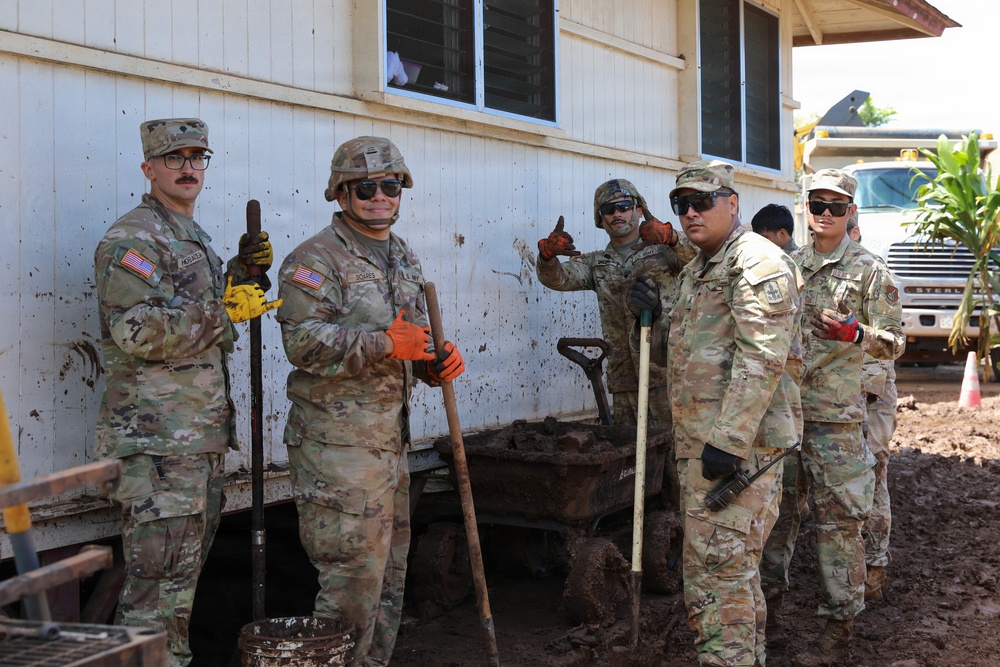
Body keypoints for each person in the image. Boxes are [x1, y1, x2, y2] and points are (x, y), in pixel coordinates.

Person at [94, 118, 281, 667]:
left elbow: (188, 310)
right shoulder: (134, 238)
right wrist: (224, 311)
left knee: (177, 589)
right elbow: (136, 329)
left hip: (194, 443)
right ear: (148, 168)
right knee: (154, 598)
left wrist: (242, 273)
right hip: (157, 446)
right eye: (175, 158)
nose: (188, 168)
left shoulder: (188, 234)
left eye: (198, 157)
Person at [275, 136, 465, 667]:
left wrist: (433, 362)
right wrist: (386, 343)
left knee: (388, 582)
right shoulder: (314, 260)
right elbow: (303, 342)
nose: (379, 196)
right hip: (339, 452)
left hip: (389, 445)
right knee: (350, 588)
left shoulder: (402, 254)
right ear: (341, 194)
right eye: (365, 188)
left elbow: (415, 337)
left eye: (389, 185)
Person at [628, 159, 803, 667]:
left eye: (702, 202)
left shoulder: (757, 263)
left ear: (732, 203)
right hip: (703, 449)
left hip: (736, 455)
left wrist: (727, 441)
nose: (689, 213)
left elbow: (762, 358)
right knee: (730, 578)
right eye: (680, 204)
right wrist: (652, 320)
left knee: (715, 578)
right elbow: (679, 356)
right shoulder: (697, 271)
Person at [760, 169, 904, 666]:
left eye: (836, 206)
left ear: (851, 213)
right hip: (785, 417)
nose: (825, 213)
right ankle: (769, 618)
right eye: (817, 204)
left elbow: (895, 341)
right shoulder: (785, 265)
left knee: (840, 525)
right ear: (805, 209)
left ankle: (836, 632)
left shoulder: (870, 271)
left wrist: (858, 335)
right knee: (774, 521)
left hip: (837, 422)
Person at [536, 179, 694, 504]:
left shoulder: (666, 252)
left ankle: (682, 532)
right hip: (626, 384)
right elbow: (558, 279)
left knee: (678, 459)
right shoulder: (598, 263)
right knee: (634, 463)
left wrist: (674, 237)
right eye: (610, 209)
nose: (618, 213)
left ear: (638, 208)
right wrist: (548, 256)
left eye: (625, 206)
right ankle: (644, 531)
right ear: (601, 217)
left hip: (669, 375)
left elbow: (699, 261)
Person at [849, 215, 898, 602]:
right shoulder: (810, 266)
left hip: (871, 393)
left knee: (874, 472)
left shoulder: (872, 271)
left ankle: (876, 568)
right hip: (833, 397)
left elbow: (887, 343)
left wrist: (867, 391)